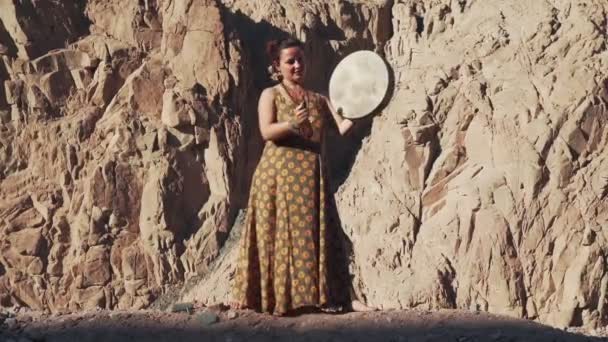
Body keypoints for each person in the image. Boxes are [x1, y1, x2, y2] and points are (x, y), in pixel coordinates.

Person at [231, 37, 366, 316]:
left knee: (317, 233)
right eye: (290, 61)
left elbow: (342, 127)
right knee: (277, 236)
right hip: (278, 175)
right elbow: (267, 131)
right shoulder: (270, 95)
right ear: (277, 66)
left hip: (310, 176)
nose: (296, 65)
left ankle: (336, 297)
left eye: (300, 59)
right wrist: (293, 123)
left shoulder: (319, 99)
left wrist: (365, 104)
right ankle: (276, 301)